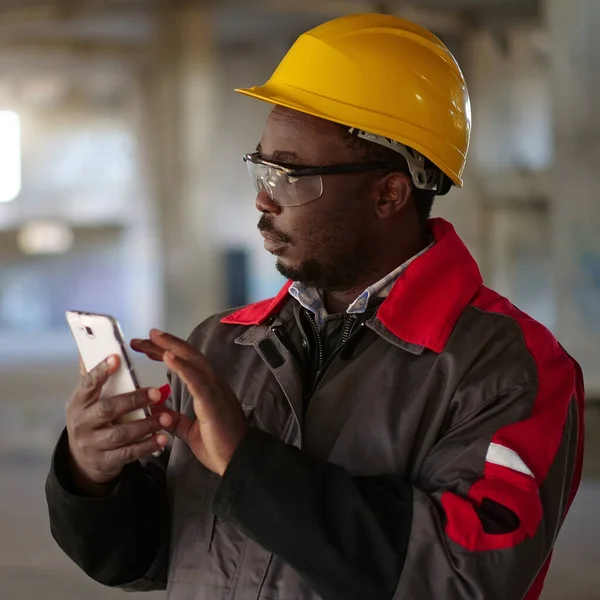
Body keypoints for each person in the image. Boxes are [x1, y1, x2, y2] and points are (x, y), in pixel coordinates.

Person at [45, 13, 585, 600]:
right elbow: (154, 558)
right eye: (262, 167)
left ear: (388, 193)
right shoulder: (224, 346)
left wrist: (250, 466)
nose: (262, 198)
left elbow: (465, 578)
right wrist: (91, 477)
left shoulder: (509, 367)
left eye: (291, 175)